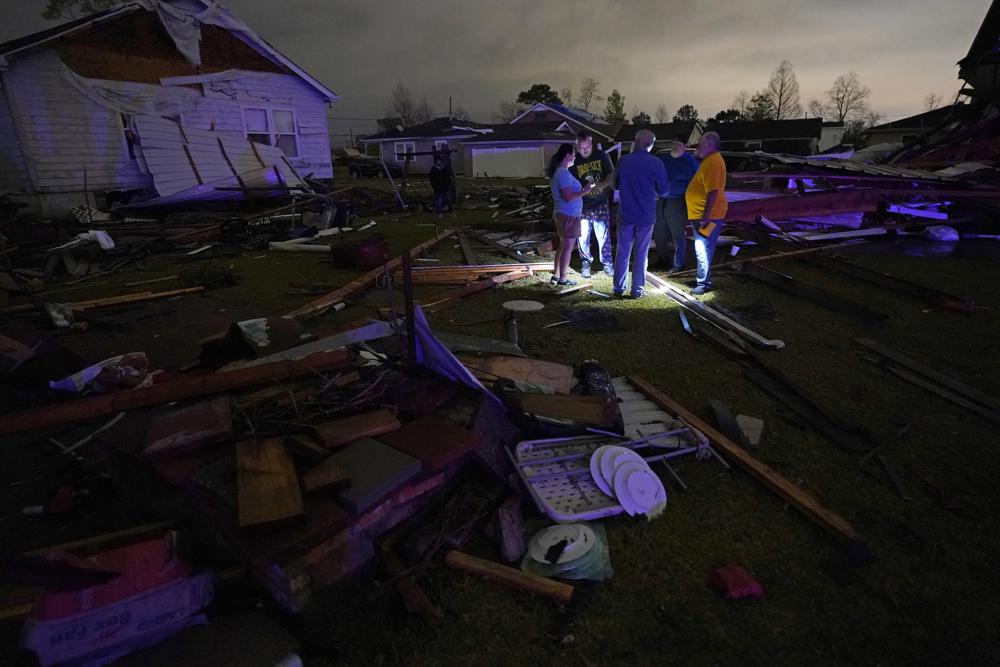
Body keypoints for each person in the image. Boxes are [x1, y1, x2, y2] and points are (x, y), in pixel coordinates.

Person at [612, 129, 668, 298]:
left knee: (622, 252)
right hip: (646, 216)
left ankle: (618, 288)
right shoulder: (656, 163)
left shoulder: (624, 161)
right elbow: (664, 190)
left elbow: (615, 185)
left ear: (636, 141)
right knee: (641, 253)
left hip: (626, 215)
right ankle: (637, 290)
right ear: (650, 145)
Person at [685, 131, 728, 295]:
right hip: (702, 214)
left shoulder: (714, 163)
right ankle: (703, 280)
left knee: (703, 248)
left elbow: (713, 191)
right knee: (701, 247)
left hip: (708, 216)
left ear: (710, 144)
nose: (698, 145)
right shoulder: (710, 161)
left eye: (701, 142)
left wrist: (706, 215)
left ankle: (703, 283)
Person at [570, 130, 615, 278]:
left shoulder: (601, 156)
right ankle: (586, 262)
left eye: (587, 146)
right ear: (577, 146)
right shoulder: (574, 161)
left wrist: (602, 185)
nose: (585, 149)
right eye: (581, 147)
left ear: (591, 143)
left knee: (603, 235)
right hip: (582, 205)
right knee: (582, 235)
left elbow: (611, 174)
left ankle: (607, 263)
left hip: (600, 203)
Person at [548, 143, 594, 286]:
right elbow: (568, 197)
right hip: (568, 215)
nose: (575, 156)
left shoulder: (562, 172)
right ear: (567, 155)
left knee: (563, 246)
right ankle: (563, 278)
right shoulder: (562, 173)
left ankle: (556, 276)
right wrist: (585, 190)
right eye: (574, 153)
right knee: (567, 247)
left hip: (565, 214)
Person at [654, 133, 699, 273]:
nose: (675, 145)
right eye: (673, 142)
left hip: (678, 201)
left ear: (684, 146)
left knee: (677, 233)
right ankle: (663, 259)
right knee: (659, 231)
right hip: (661, 200)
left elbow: (695, 184)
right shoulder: (664, 160)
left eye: (679, 143)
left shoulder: (690, 162)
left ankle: (679, 263)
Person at [428, 154, 451, 220]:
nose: (440, 162)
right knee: (439, 201)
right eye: (438, 161)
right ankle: (439, 213)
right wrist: (435, 187)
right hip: (438, 188)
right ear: (436, 161)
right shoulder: (434, 170)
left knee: (448, 200)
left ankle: (451, 212)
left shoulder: (443, 169)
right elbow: (432, 180)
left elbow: (447, 177)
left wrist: (444, 169)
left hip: (445, 187)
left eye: (441, 161)